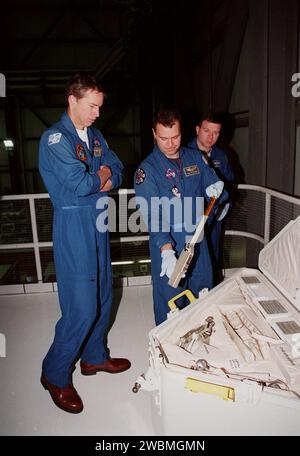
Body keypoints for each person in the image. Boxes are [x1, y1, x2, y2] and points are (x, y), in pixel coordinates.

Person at [39, 73, 130, 414]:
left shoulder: (95, 136)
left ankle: (93, 357)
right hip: (73, 224)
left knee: (104, 294)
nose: (97, 114)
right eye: (92, 106)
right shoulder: (54, 140)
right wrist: (102, 176)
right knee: (81, 307)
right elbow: (79, 186)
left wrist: (105, 176)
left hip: (98, 221)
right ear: (72, 100)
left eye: (99, 107)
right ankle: (54, 372)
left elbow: (117, 167)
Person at [134, 108, 227, 325]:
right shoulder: (147, 170)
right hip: (170, 240)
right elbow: (151, 214)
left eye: (175, 137)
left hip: (198, 238)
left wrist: (218, 188)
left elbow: (212, 186)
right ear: (154, 134)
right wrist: (166, 249)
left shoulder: (195, 157)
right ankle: (167, 350)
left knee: (203, 292)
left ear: (181, 133)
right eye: (164, 138)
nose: (170, 143)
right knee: (170, 300)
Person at [188, 112, 235, 282]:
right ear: (197, 129)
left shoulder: (221, 156)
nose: (211, 137)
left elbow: (229, 182)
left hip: (214, 217)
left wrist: (226, 204)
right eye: (207, 131)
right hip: (191, 218)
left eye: (216, 133)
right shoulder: (185, 154)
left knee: (214, 253)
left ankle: (213, 289)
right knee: (193, 257)